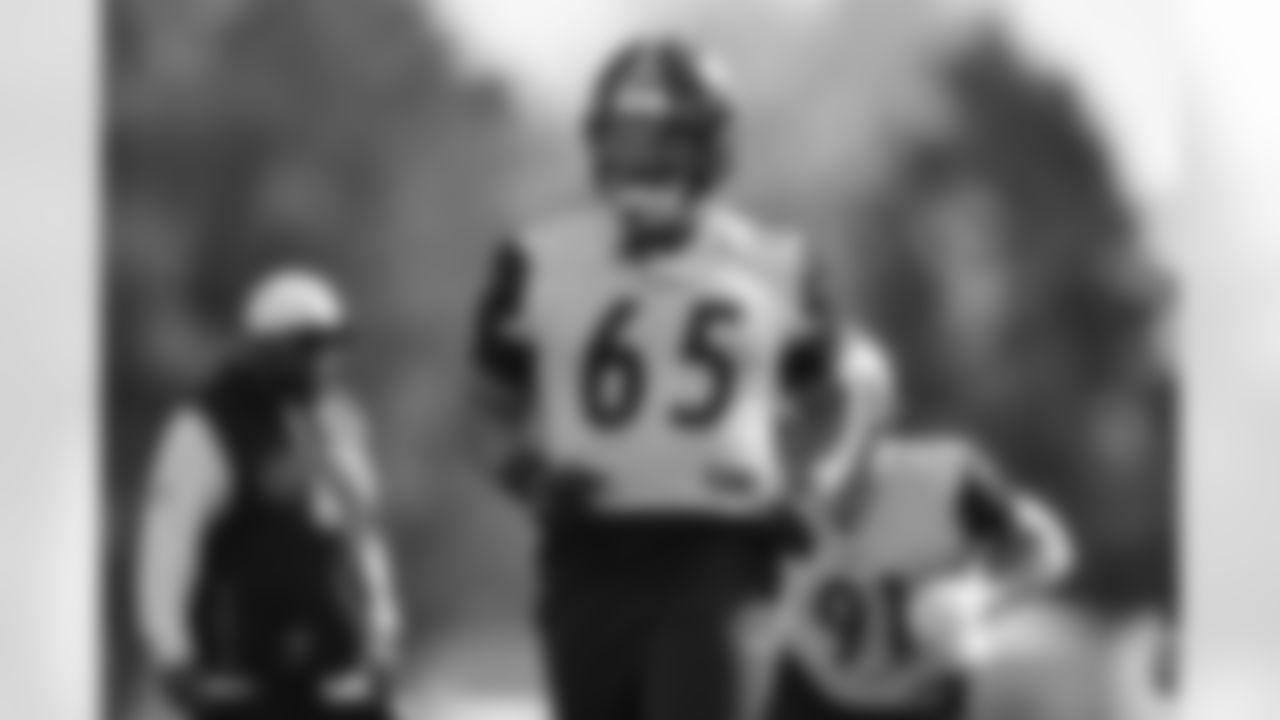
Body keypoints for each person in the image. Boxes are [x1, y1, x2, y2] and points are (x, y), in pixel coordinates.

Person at [467, 35, 848, 720]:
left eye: (666, 139)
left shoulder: (778, 264)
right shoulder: (535, 261)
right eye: (624, 138)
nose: (641, 160)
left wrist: (805, 485)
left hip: (718, 552)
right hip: (586, 553)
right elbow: (492, 404)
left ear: (712, 148)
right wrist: (527, 475)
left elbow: (828, 403)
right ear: (596, 144)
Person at [762, 332, 1075, 720]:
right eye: (800, 408)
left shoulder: (944, 481)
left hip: (925, 702)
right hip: (812, 698)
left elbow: (1044, 546)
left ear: (878, 415)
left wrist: (978, 594)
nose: (811, 427)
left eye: (830, 407)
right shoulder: (761, 503)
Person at [134, 268, 400, 720]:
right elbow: (168, 544)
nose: (322, 360)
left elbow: (363, 535)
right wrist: (170, 650)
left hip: (339, 671)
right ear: (263, 348)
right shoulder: (207, 428)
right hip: (243, 678)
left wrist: (383, 628)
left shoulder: (339, 422)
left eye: (329, 346)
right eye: (306, 347)